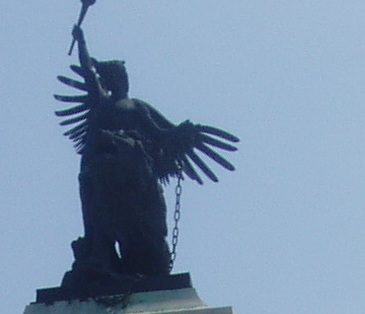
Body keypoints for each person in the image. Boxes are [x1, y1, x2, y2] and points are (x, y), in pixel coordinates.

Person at [55, 27, 238, 283]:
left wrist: (185, 133)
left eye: (114, 77)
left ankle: (135, 260)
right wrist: (81, 41)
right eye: (108, 78)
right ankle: (99, 257)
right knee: (96, 219)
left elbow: (160, 135)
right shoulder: (100, 101)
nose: (110, 82)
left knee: (135, 223)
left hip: (128, 167)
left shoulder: (135, 107)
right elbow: (88, 71)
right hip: (94, 171)